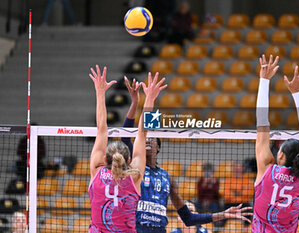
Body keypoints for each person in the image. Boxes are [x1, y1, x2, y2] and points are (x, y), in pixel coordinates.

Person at [121, 77, 252, 233]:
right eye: (146, 138)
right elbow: (125, 137)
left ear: (158, 147)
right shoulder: (136, 167)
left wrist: (223, 214)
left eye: (153, 139)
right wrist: (135, 102)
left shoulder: (167, 178)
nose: (148, 140)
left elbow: (189, 219)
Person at [88, 66, 166, 232]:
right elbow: (142, 133)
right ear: (129, 160)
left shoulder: (96, 171)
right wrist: (150, 98)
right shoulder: (135, 177)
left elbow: (102, 128)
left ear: (105, 159)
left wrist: (100, 92)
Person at [252, 55, 299, 232]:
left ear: (280, 155)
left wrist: (264, 81)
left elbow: (262, 123)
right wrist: (297, 93)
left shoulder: (267, 169)